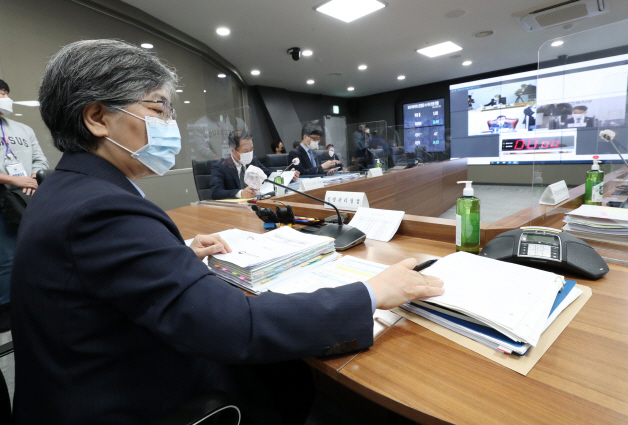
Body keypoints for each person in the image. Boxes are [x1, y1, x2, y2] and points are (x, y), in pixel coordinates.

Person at [11, 39, 445, 424]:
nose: (170, 124)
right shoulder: (101, 208)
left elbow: (95, 274)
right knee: (284, 371)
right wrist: (374, 292)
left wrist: (175, 252)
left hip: (78, 376)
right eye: (159, 108)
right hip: (123, 400)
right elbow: (236, 326)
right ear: (96, 118)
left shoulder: (67, 187)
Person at [0, 79, 49, 331]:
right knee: (5, 260)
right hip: (2, 200)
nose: (4, 97)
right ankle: (8, 314)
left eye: (5, 92)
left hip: (26, 198)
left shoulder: (23, 129)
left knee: (32, 250)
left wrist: (32, 178)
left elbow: (40, 159)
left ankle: (34, 300)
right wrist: (11, 179)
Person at [210, 130, 297, 200]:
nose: (249, 153)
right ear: (232, 151)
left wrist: (288, 175)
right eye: (245, 150)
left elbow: (268, 174)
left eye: (251, 149)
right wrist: (241, 193)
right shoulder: (221, 166)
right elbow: (216, 192)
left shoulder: (253, 160)